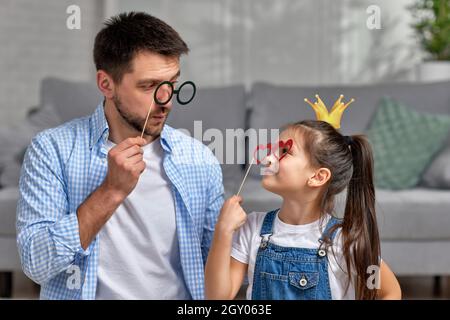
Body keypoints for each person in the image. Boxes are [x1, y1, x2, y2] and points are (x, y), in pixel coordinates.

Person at [16, 12, 224, 300]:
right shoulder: (51, 150)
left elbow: (217, 272)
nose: (167, 102)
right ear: (106, 84)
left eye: (172, 84)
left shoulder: (200, 159)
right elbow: (37, 264)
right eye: (149, 86)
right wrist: (111, 191)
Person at [205, 120, 402, 300]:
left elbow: (388, 291)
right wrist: (223, 231)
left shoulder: (345, 239)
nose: (267, 159)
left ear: (318, 177)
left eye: (284, 152)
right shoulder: (253, 227)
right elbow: (217, 297)